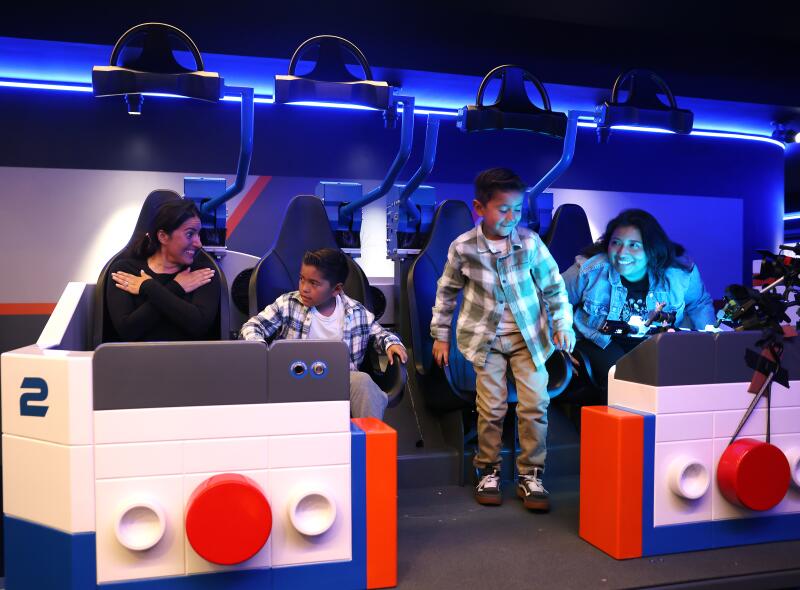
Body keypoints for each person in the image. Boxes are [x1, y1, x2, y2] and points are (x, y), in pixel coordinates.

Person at [430, 167, 574, 511]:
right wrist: (440, 337)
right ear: (480, 207)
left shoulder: (529, 243)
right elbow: (446, 293)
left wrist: (562, 324)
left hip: (530, 339)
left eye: (518, 210)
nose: (511, 217)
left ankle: (530, 474)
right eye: (503, 209)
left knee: (534, 405)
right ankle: (489, 469)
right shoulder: (463, 247)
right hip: (485, 340)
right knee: (491, 407)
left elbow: (554, 286)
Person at [240, 247, 407, 419]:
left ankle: (370, 444)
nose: (304, 288)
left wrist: (391, 343)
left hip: (340, 380)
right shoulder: (287, 304)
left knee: (363, 382)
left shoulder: (357, 313)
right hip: (292, 379)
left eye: (313, 283)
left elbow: (381, 334)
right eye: (301, 279)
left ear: (336, 289)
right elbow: (252, 326)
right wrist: (260, 349)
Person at [562, 208, 715, 395]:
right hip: (599, 340)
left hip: (652, 342)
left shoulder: (679, 273)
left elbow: (698, 304)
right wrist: (557, 347)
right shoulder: (591, 269)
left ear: (652, 248)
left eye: (634, 245)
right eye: (615, 243)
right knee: (623, 378)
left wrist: (711, 347)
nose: (621, 253)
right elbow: (550, 301)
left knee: (675, 379)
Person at [107, 199, 220, 341]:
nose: (199, 243)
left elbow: (198, 326)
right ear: (163, 236)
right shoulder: (125, 271)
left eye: (199, 234)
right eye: (190, 234)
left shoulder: (202, 274)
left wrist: (148, 287)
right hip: (137, 361)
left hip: (189, 361)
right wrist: (176, 287)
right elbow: (128, 330)